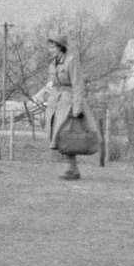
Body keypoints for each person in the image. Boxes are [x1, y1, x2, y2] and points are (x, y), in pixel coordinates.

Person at [33, 34, 98, 180]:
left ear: (60, 47)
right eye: (49, 47)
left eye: (52, 47)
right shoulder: (53, 63)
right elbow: (51, 84)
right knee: (58, 136)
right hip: (55, 103)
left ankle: (72, 169)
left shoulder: (71, 61)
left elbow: (78, 84)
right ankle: (72, 168)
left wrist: (77, 108)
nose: (50, 50)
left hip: (68, 103)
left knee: (66, 134)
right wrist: (41, 97)